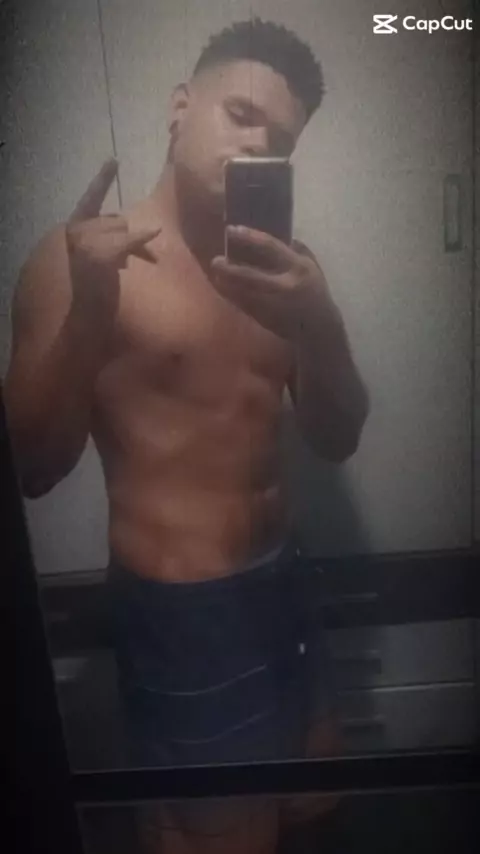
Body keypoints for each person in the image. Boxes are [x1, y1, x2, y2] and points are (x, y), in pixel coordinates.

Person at [4, 17, 370, 854]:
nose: (258, 143)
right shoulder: (82, 260)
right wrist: (88, 318)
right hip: (184, 616)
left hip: (285, 583)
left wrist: (320, 323)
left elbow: (338, 437)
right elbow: (30, 469)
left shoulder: (290, 270)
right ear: (179, 107)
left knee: (313, 812)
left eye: (281, 138)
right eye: (241, 113)